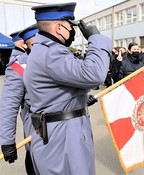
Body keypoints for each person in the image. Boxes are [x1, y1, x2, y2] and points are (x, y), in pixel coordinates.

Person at [23, 2, 112, 175]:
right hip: (64, 135)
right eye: (71, 26)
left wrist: (81, 99)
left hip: (58, 129)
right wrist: (96, 38)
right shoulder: (52, 53)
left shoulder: (44, 49)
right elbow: (94, 74)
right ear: (59, 28)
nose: (73, 31)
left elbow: (57, 90)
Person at [0, 24, 38, 175]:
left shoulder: (52, 60)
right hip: (36, 130)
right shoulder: (19, 66)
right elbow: (9, 105)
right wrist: (8, 141)